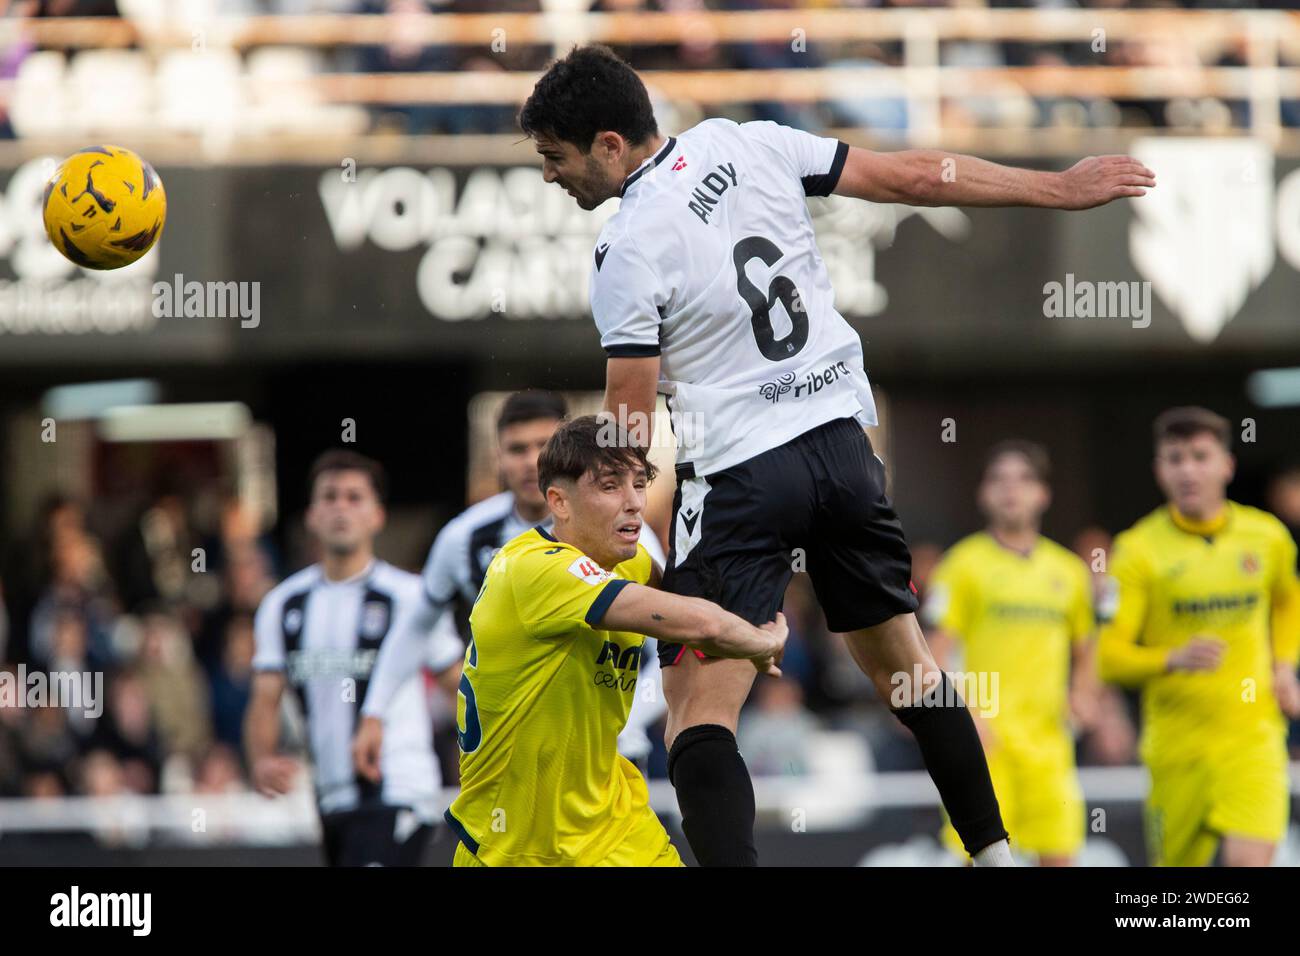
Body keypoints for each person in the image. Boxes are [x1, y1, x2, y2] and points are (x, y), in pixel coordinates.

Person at [519, 42, 1154, 866]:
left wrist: (615, 533)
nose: (550, 176)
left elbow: (630, 417)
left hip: (744, 472)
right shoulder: (749, 141)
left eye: (554, 157)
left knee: (697, 715)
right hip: (844, 454)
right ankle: (996, 856)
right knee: (913, 673)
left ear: (609, 144)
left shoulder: (625, 247)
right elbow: (919, 176)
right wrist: (1056, 189)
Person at [387, 415, 785, 866]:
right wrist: (760, 640)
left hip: (615, 825)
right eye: (611, 486)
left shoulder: (632, 564)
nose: (634, 502)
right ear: (558, 500)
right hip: (514, 843)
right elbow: (703, 626)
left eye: (639, 483)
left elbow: (699, 613)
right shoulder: (532, 569)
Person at [353, 389, 666, 769]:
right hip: (511, 755)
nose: (530, 461)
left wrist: (628, 723)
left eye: (542, 445)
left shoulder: (627, 533)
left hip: (611, 749)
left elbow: (671, 640)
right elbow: (417, 626)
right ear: (497, 456)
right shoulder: (465, 537)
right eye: (516, 449)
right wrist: (375, 713)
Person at [1098, 407, 1300, 866]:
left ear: (1226, 464)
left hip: (1253, 740)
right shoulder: (1137, 551)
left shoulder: (1266, 537)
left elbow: (1289, 598)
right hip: (1177, 751)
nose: (1188, 469)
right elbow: (1109, 659)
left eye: (1200, 456)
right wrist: (1172, 659)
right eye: (1175, 458)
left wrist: (1283, 665)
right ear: (1159, 470)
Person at [246, 450, 463, 867]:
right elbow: (265, 696)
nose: (340, 508)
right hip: (330, 796)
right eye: (329, 497)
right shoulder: (282, 604)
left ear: (377, 515)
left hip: (398, 789)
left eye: (353, 497)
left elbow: (458, 681)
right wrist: (261, 758)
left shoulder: (411, 598)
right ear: (311, 514)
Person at [924, 441, 1098, 866]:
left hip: (1049, 746)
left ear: (1044, 494)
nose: (1010, 490)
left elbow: (1088, 645)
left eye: (1023, 479)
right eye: (999, 479)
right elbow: (932, 655)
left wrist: (1084, 694)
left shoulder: (1069, 572)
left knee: (1060, 857)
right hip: (987, 747)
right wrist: (963, 719)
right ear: (983, 493)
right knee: (980, 859)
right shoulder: (961, 565)